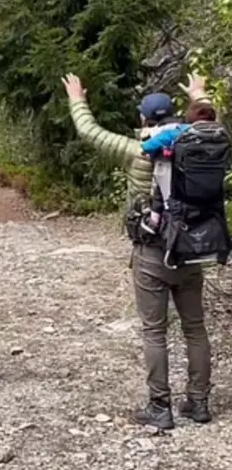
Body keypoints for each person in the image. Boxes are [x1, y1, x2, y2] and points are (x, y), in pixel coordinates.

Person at [61, 72, 215, 428]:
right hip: (191, 249)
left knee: (154, 331)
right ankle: (199, 403)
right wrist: (199, 93)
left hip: (151, 252)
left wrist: (77, 98)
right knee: (195, 328)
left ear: (144, 120)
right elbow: (209, 119)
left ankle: (160, 408)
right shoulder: (195, 142)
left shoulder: (135, 152)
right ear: (174, 115)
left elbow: (90, 133)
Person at [139, 102, 219, 234]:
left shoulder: (180, 131)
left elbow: (147, 146)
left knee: (161, 181)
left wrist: (144, 149)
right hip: (212, 189)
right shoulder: (220, 135)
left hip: (184, 189)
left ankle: (154, 221)